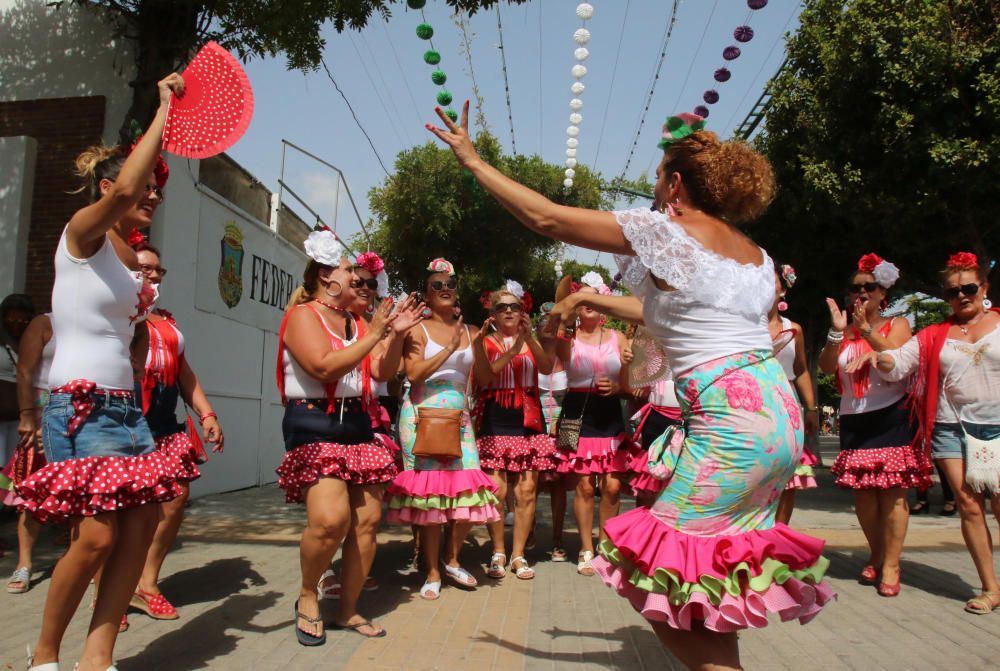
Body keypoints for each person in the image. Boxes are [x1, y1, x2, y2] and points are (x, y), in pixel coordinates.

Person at [428, 105, 833, 670]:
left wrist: (472, 160)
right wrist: (589, 299)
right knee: (706, 568)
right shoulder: (756, 257)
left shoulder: (665, 231)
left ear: (674, 182)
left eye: (658, 175)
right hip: (778, 420)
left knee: (654, 573)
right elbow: (669, 309)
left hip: (731, 422)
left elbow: (546, 218)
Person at [17, 73, 186, 671]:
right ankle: (42, 657)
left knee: (137, 534)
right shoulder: (80, 236)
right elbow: (121, 196)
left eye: (159, 190)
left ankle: (99, 657)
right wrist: (165, 111)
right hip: (80, 407)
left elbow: (129, 335)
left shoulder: (128, 259)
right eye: (147, 187)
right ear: (110, 187)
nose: (154, 196)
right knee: (95, 538)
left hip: (126, 411)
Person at [275, 232, 421, 644]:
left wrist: (395, 335)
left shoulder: (358, 322)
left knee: (367, 524)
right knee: (329, 521)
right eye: (347, 272)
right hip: (314, 424)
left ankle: (349, 610)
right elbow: (323, 367)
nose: (357, 280)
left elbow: (380, 372)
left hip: (357, 425)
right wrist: (376, 333)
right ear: (325, 277)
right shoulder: (304, 315)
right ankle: (307, 594)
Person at [850, 252, 1000, 614]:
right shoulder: (935, 335)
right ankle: (990, 588)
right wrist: (874, 348)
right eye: (952, 292)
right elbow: (899, 363)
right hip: (950, 427)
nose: (961, 296)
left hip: (996, 427)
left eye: (968, 288)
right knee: (968, 505)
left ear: (984, 288)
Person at [385, 258, 499, 601]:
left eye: (451, 283)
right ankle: (432, 570)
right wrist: (448, 350)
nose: (445, 289)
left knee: (469, 485)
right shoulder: (417, 329)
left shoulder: (472, 330)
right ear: (427, 294)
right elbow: (415, 374)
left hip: (459, 417)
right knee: (430, 495)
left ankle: (451, 559)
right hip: (421, 415)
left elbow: (487, 377)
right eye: (437, 285)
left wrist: (476, 348)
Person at [819, 252, 928, 597]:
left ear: (884, 293)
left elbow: (896, 361)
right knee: (864, 496)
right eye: (856, 288)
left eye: (870, 287)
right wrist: (838, 335)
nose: (861, 293)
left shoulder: (896, 325)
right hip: (854, 419)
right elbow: (825, 367)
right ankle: (877, 553)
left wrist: (868, 336)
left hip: (890, 415)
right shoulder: (844, 330)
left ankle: (892, 564)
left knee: (893, 494)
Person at [128, 242, 224, 621]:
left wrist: (207, 414)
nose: (153, 275)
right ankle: (107, 592)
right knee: (119, 509)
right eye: (144, 269)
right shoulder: (117, 314)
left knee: (175, 498)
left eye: (157, 271)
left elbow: (184, 372)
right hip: (123, 421)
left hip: (165, 423)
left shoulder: (165, 322)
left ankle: (146, 583)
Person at [475, 282, 557, 580]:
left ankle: (519, 554)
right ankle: (498, 550)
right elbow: (485, 377)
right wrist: (512, 351)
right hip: (496, 417)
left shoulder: (532, 339)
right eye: (502, 307)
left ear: (523, 312)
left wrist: (529, 338)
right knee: (497, 491)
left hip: (528, 419)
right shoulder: (484, 341)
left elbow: (546, 368)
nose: (509, 311)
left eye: (515, 307)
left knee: (527, 491)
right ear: (493, 315)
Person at [553, 275, 632, 577]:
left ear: (603, 306)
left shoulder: (618, 337)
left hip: (610, 413)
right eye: (581, 299)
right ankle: (586, 548)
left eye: (592, 299)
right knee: (584, 485)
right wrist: (565, 309)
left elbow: (630, 386)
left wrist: (619, 381)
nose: (587, 305)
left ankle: (606, 546)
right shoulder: (568, 338)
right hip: (578, 412)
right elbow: (554, 353)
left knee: (612, 486)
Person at [3, 312, 53, 594]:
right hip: (43, 407)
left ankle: (81, 563)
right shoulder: (45, 322)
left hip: (79, 415)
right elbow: (24, 370)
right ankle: (24, 564)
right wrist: (27, 415)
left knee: (79, 493)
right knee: (30, 494)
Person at [769, 265, 820, 524]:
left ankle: (779, 539)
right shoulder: (742, 328)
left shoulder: (795, 329)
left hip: (787, 408)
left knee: (788, 478)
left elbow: (800, 370)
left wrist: (811, 409)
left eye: (772, 279)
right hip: (752, 403)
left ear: (784, 289)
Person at [1, 294, 35, 468]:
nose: (16, 323)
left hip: (19, 413)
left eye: (22, 320)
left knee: (12, 464)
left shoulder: (30, 341)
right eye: (12, 318)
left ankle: (4, 495)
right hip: (2, 409)